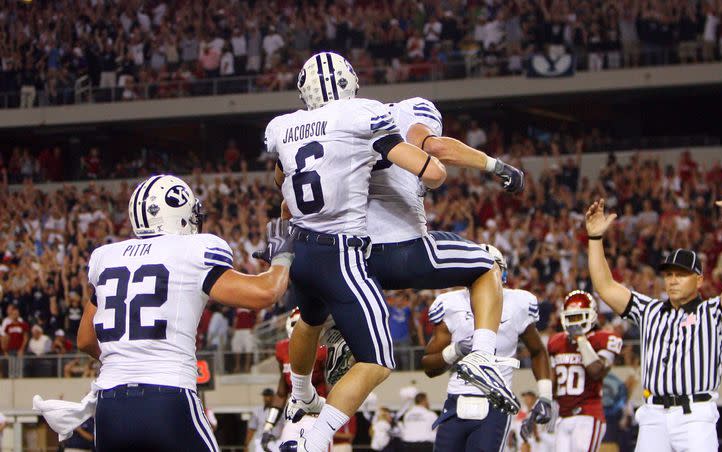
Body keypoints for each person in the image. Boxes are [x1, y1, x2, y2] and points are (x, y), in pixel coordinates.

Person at [35, 174, 295, 452]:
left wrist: (131, 356)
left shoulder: (106, 257)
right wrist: (283, 253)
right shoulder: (194, 249)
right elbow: (266, 292)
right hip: (168, 400)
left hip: (110, 408)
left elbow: (86, 339)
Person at [268, 52, 446, 452]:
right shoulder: (362, 114)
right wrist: (420, 156)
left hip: (301, 246)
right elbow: (432, 173)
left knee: (310, 321)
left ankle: (300, 393)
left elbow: (281, 181)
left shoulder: (282, 126)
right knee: (379, 359)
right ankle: (314, 440)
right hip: (339, 251)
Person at [322, 95, 527, 416]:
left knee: (352, 350)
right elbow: (436, 149)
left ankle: (305, 390)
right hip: (400, 246)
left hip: (347, 255)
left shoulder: (348, 125)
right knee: (486, 265)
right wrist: (496, 165)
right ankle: (483, 357)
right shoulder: (411, 113)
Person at [585, 198, 722, 452]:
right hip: (653, 414)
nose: (673, 280)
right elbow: (605, 286)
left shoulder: (713, 313)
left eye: (681, 274)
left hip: (695, 414)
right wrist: (595, 239)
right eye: (669, 275)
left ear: (698, 280)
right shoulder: (649, 310)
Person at [421, 245, 554, 452]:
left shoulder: (518, 303)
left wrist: (545, 395)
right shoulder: (451, 304)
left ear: (503, 272)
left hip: (496, 403)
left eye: (490, 269)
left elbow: (538, 351)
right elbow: (429, 366)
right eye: (478, 270)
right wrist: (455, 350)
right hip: (456, 402)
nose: (485, 276)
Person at [547, 290, 623, 452]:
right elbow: (553, 381)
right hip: (563, 416)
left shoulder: (602, 339)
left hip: (588, 415)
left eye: (578, 317)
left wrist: (581, 340)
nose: (574, 324)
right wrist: (545, 400)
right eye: (570, 318)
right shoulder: (556, 342)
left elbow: (596, 371)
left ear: (591, 316)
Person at [260, 309, 329, 450]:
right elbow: (281, 392)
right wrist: (268, 425)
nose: (298, 329)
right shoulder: (283, 349)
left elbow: (332, 387)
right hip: (293, 417)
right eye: (294, 324)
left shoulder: (323, 349)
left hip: (317, 417)